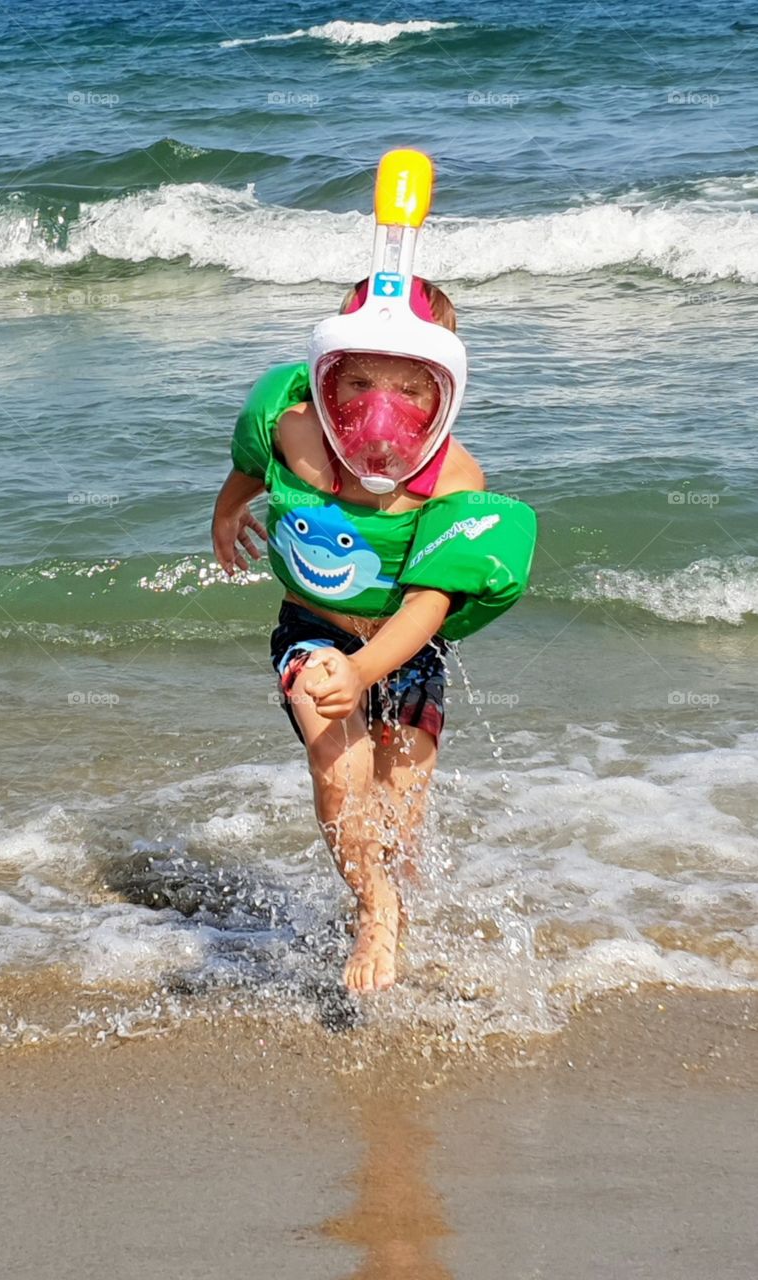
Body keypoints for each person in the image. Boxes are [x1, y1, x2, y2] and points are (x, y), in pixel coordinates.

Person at [211, 150, 536, 995]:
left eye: (407, 388)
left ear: (445, 393)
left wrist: (369, 669)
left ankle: (398, 902)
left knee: (402, 806)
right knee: (339, 767)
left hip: (403, 646)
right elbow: (249, 469)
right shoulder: (293, 431)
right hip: (314, 635)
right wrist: (226, 513)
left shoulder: (456, 480)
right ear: (325, 376)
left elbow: (430, 600)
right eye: (355, 381)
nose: (376, 413)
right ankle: (373, 911)